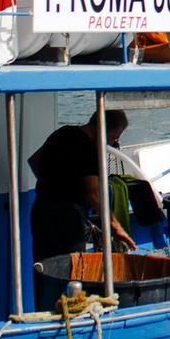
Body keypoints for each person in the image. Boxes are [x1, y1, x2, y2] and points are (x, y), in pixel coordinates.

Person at [28, 109, 134, 265]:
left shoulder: (62, 133)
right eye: (111, 138)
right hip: (67, 218)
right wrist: (115, 226)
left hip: (41, 211)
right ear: (101, 128)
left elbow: (34, 160)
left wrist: (51, 183)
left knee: (43, 266)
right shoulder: (88, 149)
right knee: (70, 269)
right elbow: (94, 193)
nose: (110, 144)